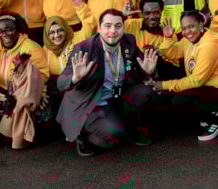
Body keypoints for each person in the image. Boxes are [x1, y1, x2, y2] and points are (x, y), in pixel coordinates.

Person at [57, 9, 159, 156]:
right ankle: (83, 135)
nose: (113, 31)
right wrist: (75, 78)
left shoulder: (128, 41)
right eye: (107, 26)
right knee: (112, 137)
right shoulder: (85, 48)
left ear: (123, 27)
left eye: (118, 26)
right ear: (99, 28)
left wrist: (147, 71)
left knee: (146, 93)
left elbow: (142, 66)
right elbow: (61, 82)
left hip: (116, 97)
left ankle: (130, 129)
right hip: (92, 102)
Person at [0, 13, 52, 149]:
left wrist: (41, 94)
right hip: (0, 87)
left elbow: (41, 75)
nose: (4, 35)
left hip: (21, 91)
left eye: (9, 30)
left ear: (18, 30)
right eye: (0, 31)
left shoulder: (31, 47)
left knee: (15, 131)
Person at [150, 10, 218, 142]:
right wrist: (168, 37)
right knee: (179, 96)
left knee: (181, 99)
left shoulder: (208, 46)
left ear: (201, 24)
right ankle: (208, 113)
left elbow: (196, 81)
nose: (187, 31)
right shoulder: (188, 40)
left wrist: (164, 85)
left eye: (191, 26)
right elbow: (171, 54)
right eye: (184, 28)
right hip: (204, 86)